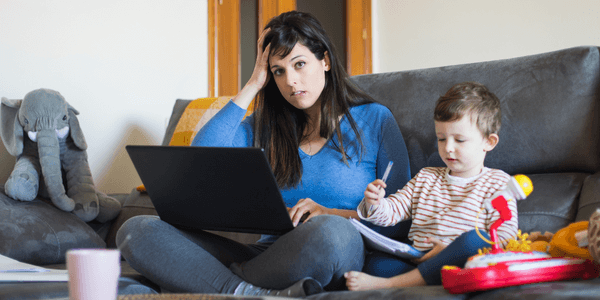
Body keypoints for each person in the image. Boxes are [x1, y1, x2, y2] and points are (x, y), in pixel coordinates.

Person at [116, 11, 411, 297]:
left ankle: (215, 283)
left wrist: (330, 213)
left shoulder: (374, 120)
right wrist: (254, 82)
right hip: (265, 255)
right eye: (278, 71)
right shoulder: (265, 127)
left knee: (329, 232)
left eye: (299, 64)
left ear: (325, 61)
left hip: (333, 248)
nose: (290, 81)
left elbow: (401, 220)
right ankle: (246, 291)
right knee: (136, 230)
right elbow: (206, 155)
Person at [345, 81, 519, 290]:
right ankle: (417, 280)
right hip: (418, 260)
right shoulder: (426, 177)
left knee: (475, 240)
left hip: (463, 262)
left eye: (460, 140)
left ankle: (393, 284)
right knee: (375, 264)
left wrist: (449, 252)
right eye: (441, 139)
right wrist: (373, 203)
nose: (448, 148)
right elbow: (391, 213)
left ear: (488, 142)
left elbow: (505, 238)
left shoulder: (499, 183)